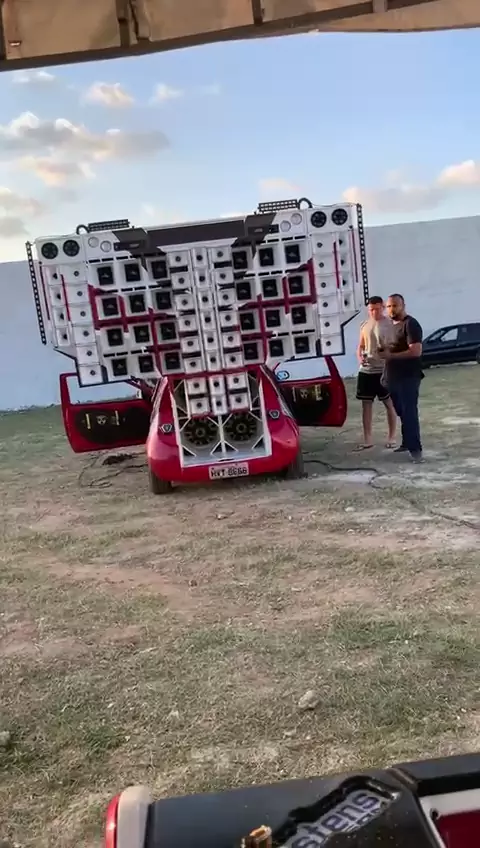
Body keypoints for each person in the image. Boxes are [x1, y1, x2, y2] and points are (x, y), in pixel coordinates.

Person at [381, 294, 424, 463]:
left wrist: (391, 355)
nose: (391, 309)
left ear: (403, 305)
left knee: (409, 412)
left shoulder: (411, 324)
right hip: (392, 376)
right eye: (389, 306)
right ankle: (407, 443)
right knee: (401, 412)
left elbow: (416, 351)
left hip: (408, 376)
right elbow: (390, 348)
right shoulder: (390, 326)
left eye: (395, 306)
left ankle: (416, 450)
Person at [354, 295, 397, 451]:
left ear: (383, 308)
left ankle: (392, 437)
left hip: (383, 369)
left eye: (377, 309)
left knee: (389, 404)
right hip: (366, 370)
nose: (374, 312)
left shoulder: (390, 324)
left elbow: (395, 346)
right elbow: (360, 346)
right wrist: (360, 358)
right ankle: (368, 439)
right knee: (366, 405)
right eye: (371, 309)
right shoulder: (364, 324)